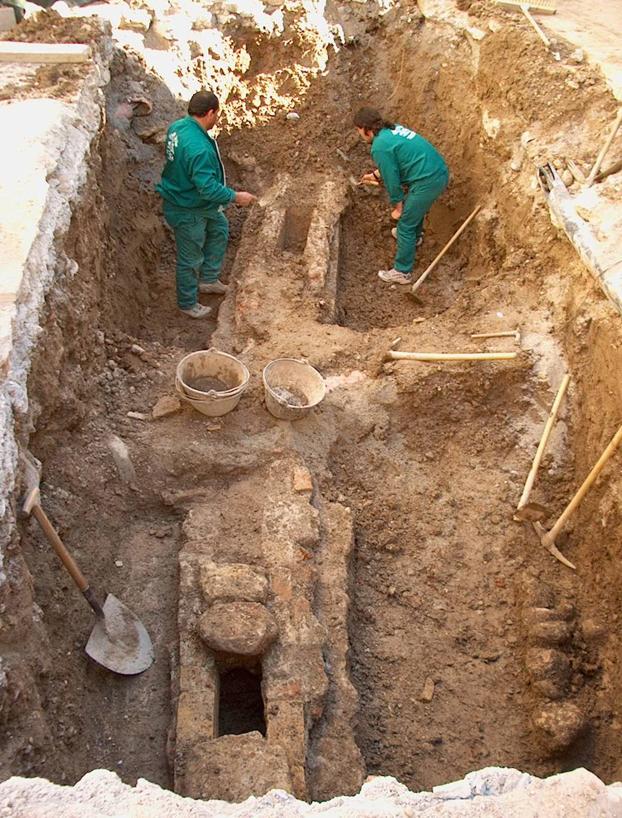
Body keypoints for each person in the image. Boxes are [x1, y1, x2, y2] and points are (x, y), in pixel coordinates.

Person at [156, 91, 256, 319]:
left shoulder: (178, 127)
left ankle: (209, 279)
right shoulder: (199, 149)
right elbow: (208, 188)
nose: (217, 118)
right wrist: (235, 196)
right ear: (210, 113)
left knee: (219, 229)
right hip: (187, 207)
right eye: (217, 114)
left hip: (195, 200)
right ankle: (187, 302)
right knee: (190, 259)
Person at [354, 106, 449, 286]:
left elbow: (392, 181)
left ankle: (402, 272)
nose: (359, 135)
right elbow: (396, 162)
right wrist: (375, 175)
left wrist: (398, 207)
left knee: (405, 223)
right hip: (437, 172)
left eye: (359, 131)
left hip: (428, 180)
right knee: (414, 211)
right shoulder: (391, 130)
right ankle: (415, 237)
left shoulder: (379, 147)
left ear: (366, 129)